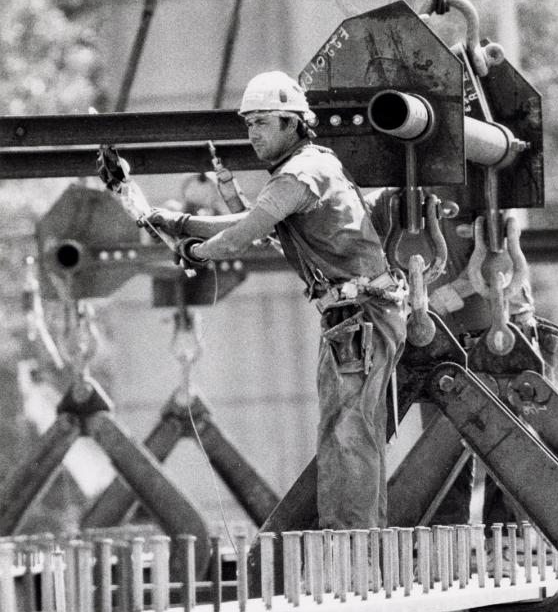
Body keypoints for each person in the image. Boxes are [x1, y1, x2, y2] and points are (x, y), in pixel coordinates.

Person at [142, 71, 408, 531]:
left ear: (292, 123)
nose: (253, 134)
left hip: (360, 317)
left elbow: (237, 238)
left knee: (349, 436)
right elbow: (252, 220)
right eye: (249, 124)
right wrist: (178, 222)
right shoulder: (305, 170)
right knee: (345, 432)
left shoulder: (301, 173)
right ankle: (354, 543)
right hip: (356, 316)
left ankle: (352, 547)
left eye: (263, 122)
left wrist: (191, 249)